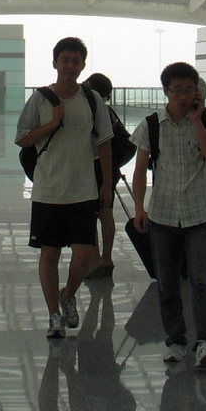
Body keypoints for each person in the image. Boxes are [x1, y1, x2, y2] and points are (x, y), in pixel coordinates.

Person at [15, 37, 115, 339]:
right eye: (65, 60)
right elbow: (22, 138)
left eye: (75, 61)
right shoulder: (40, 99)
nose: (70, 66)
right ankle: (54, 316)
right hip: (49, 190)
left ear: (83, 65)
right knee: (50, 253)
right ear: (55, 63)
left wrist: (106, 183)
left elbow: (105, 142)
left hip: (83, 189)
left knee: (83, 254)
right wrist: (51, 124)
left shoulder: (91, 99)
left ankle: (68, 294)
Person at [131, 61, 206, 369]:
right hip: (163, 215)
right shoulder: (151, 125)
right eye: (178, 90)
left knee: (200, 282)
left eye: (189, 90)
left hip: (199, 213)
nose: (184, 96)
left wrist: (197, 122)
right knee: (167, 283)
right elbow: (139, 171)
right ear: (166, 91)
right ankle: (175, 341)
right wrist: (139, 208)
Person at [82, 72, 124, 279]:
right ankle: (106, 258)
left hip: (89, 166)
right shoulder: (108, 111)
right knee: (106, 212)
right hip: (109, 167)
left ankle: (95, 260)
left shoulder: (86, 109)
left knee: (89, 215)